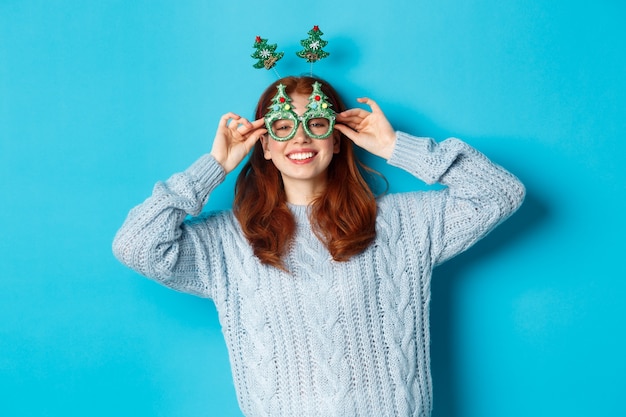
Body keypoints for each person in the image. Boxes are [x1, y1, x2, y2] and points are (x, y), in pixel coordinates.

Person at [113, 75, 525, 417]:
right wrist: (214, 166)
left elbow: (500, 194)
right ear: (265, 145)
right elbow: (136, 245)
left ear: (338, 138)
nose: (300, 136)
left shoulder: (404, 223)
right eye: (282, 126)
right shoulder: (226, 242)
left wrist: (396, 147)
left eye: (315, 122)